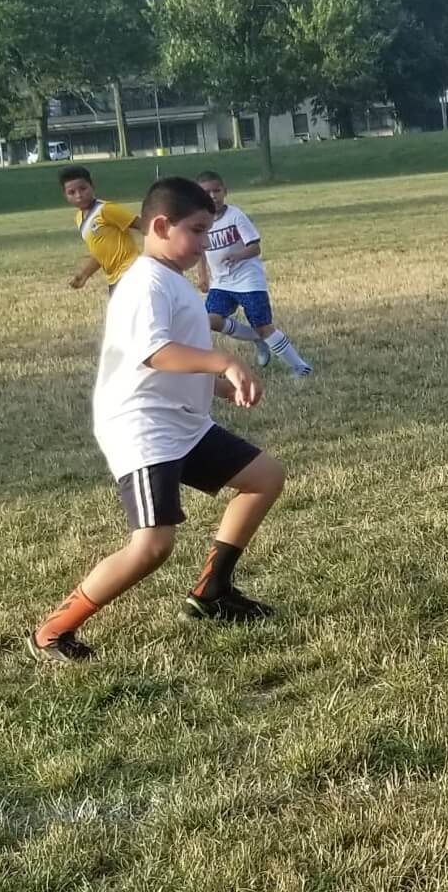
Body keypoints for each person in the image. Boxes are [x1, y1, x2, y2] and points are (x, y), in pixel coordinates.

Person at [28, 177, 286, 663]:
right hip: (143, 427)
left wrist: (217, 385)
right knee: (152, 546)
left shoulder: (171, 281)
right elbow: (154, 353)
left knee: (265, 478)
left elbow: (176, 354)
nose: (205, 242)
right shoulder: (145, 282)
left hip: (181, 422)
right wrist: (224, 362)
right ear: (161, 225)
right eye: (197, 230)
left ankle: (211, 594)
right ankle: (51, 632)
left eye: (209, 230)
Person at [193, 171, 313, 376]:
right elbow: (201, 251)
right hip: (222, 283)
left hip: (248, 281)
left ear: (225, 192)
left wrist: (238, 255)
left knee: (264, 327)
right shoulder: (201, 220)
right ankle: (256, 339)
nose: (213, 196)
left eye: (217, 190)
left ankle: (300, 367)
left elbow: (255, 247)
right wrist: (202, 275)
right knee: (209, 320)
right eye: (207, 192)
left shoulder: (235, 216)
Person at [59, 165, 141, 292]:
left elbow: (144, 225)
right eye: (72, 192)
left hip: (131, 273)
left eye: (83, 188)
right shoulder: (79, 219)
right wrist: (84, 274)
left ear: (92, 186)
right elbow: (100, 253)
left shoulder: (105, 209)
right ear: (65, 196)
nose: (79, 195)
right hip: (114, 279)